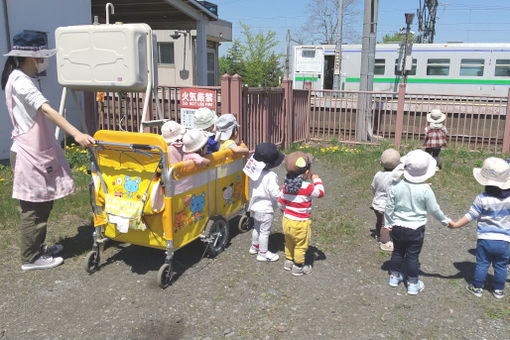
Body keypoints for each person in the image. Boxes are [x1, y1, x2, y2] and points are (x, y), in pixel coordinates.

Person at [2, 30, 95, 271]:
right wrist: (76, 133)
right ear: (34, 58)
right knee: (33, 208)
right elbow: (46, 110)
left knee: (43, 203)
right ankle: (30, 258)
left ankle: (36, 247)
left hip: (33, 151)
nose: (45, 60)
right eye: (43, 56)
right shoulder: (21, 80)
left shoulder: (18, 77)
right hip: (28, 154)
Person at [384, 149, 450, 295]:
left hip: (397, 226)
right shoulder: (426, 190)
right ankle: (413, 283)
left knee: (397, 252)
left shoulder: (396, 186)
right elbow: (434, 210)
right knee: (412, 257)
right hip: (415, 229)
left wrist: (388, 223)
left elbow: (389, 206)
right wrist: (445, 221)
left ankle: (394, 277)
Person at [448, 157, 510, 299]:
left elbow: (471, 215)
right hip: (505, 241)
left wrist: (456, 224)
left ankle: (477, 287)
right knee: (501, 265)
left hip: (485, 239)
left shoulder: (482, 198)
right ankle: (499, 290)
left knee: (482, 264)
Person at [279, 151, 324, 276]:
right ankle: (298, 267)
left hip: (287, 220)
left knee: (289, 242)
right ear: (307, 172)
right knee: (300, 245)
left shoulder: (285, 186)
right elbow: (320, 193)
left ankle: (288, 261)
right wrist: (317, 180)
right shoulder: (307, 187)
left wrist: (283, 211)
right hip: (300, 222)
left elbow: (281, 201)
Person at [244, 143, 284, 262]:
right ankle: (263, 253)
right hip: (266, 208)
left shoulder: (252, 172)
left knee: (256, 228)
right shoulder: (271, 176)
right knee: (264, 231)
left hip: (255, 206)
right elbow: (275, 194)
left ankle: (254, 246)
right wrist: (283, 195)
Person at [371, 148, 401, 251]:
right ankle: (385, 243)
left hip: (376, 204)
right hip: (387, 206)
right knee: (386, 225)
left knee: (379, 221)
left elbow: (373, 187)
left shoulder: (378, 174)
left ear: (380, 163)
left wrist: (376, 196)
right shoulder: (395, 177)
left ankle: (379, 235)